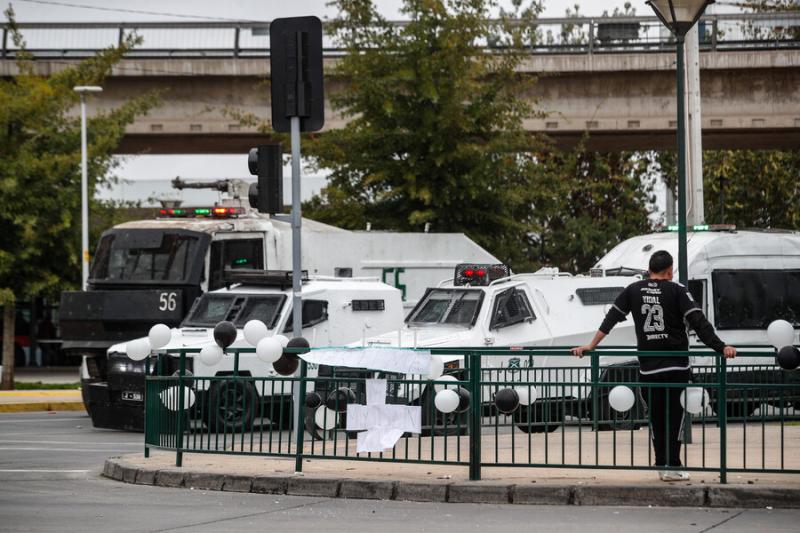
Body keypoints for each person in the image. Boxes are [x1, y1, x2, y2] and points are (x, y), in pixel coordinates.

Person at [571, 250, 736, 482]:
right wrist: (721, 347)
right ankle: (674, 466)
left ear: (649, 270)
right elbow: (698, 322)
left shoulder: (633, 290)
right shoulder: (678, 290)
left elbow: (611, 318)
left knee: (656, 418)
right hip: (676, 367)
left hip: (649, 368)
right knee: (675, 418)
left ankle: (662, 464)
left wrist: (591, 345)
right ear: (669, 271)